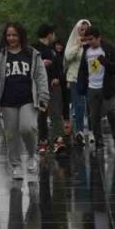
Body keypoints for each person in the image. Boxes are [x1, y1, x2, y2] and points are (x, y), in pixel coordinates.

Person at [0, 22, 49, 180]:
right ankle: (15, 165)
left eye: (14, 35)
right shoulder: (1, 55)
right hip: (7, 100)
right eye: (8, 35)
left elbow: (40, 76)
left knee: (27, 128)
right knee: (11, 134)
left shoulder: (32, 54)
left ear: (21, 35)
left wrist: (44, 96)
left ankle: (31, 154)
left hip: (27, 99)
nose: (11, 38)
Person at [76, 25, 115, 152]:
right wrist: (82, 86)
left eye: (92, 39)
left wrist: (105, 62)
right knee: (94, 117)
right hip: (92, 87)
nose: (90, 42)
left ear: (98, 38)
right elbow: (83, 70)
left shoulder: (108, 49)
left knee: (112, 113)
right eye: (87, 40)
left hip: (107, 87)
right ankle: (99, 141)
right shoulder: (86, 51)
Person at [31, 24, 67, 155]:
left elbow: (59, 67)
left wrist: (58, 77)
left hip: (53, 86)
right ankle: (43, 141)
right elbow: (30, 66)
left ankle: (59, 139)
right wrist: (41, 63)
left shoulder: (52, 50)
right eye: (53, 34)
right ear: (49, 34)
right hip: (41, 87)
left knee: (57, 112)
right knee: (42, 114)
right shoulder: (34, 49)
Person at [62, 19, 92, 145]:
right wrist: (78, 44)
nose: (84, 32)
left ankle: (91, 131)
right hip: (75, 78)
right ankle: (79, 131)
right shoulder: (74, 41)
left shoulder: (92, 42)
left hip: (90, 78)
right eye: (81, 29)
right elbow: (67, 57)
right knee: (78, 105)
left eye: (86, 29)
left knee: (91, 105)